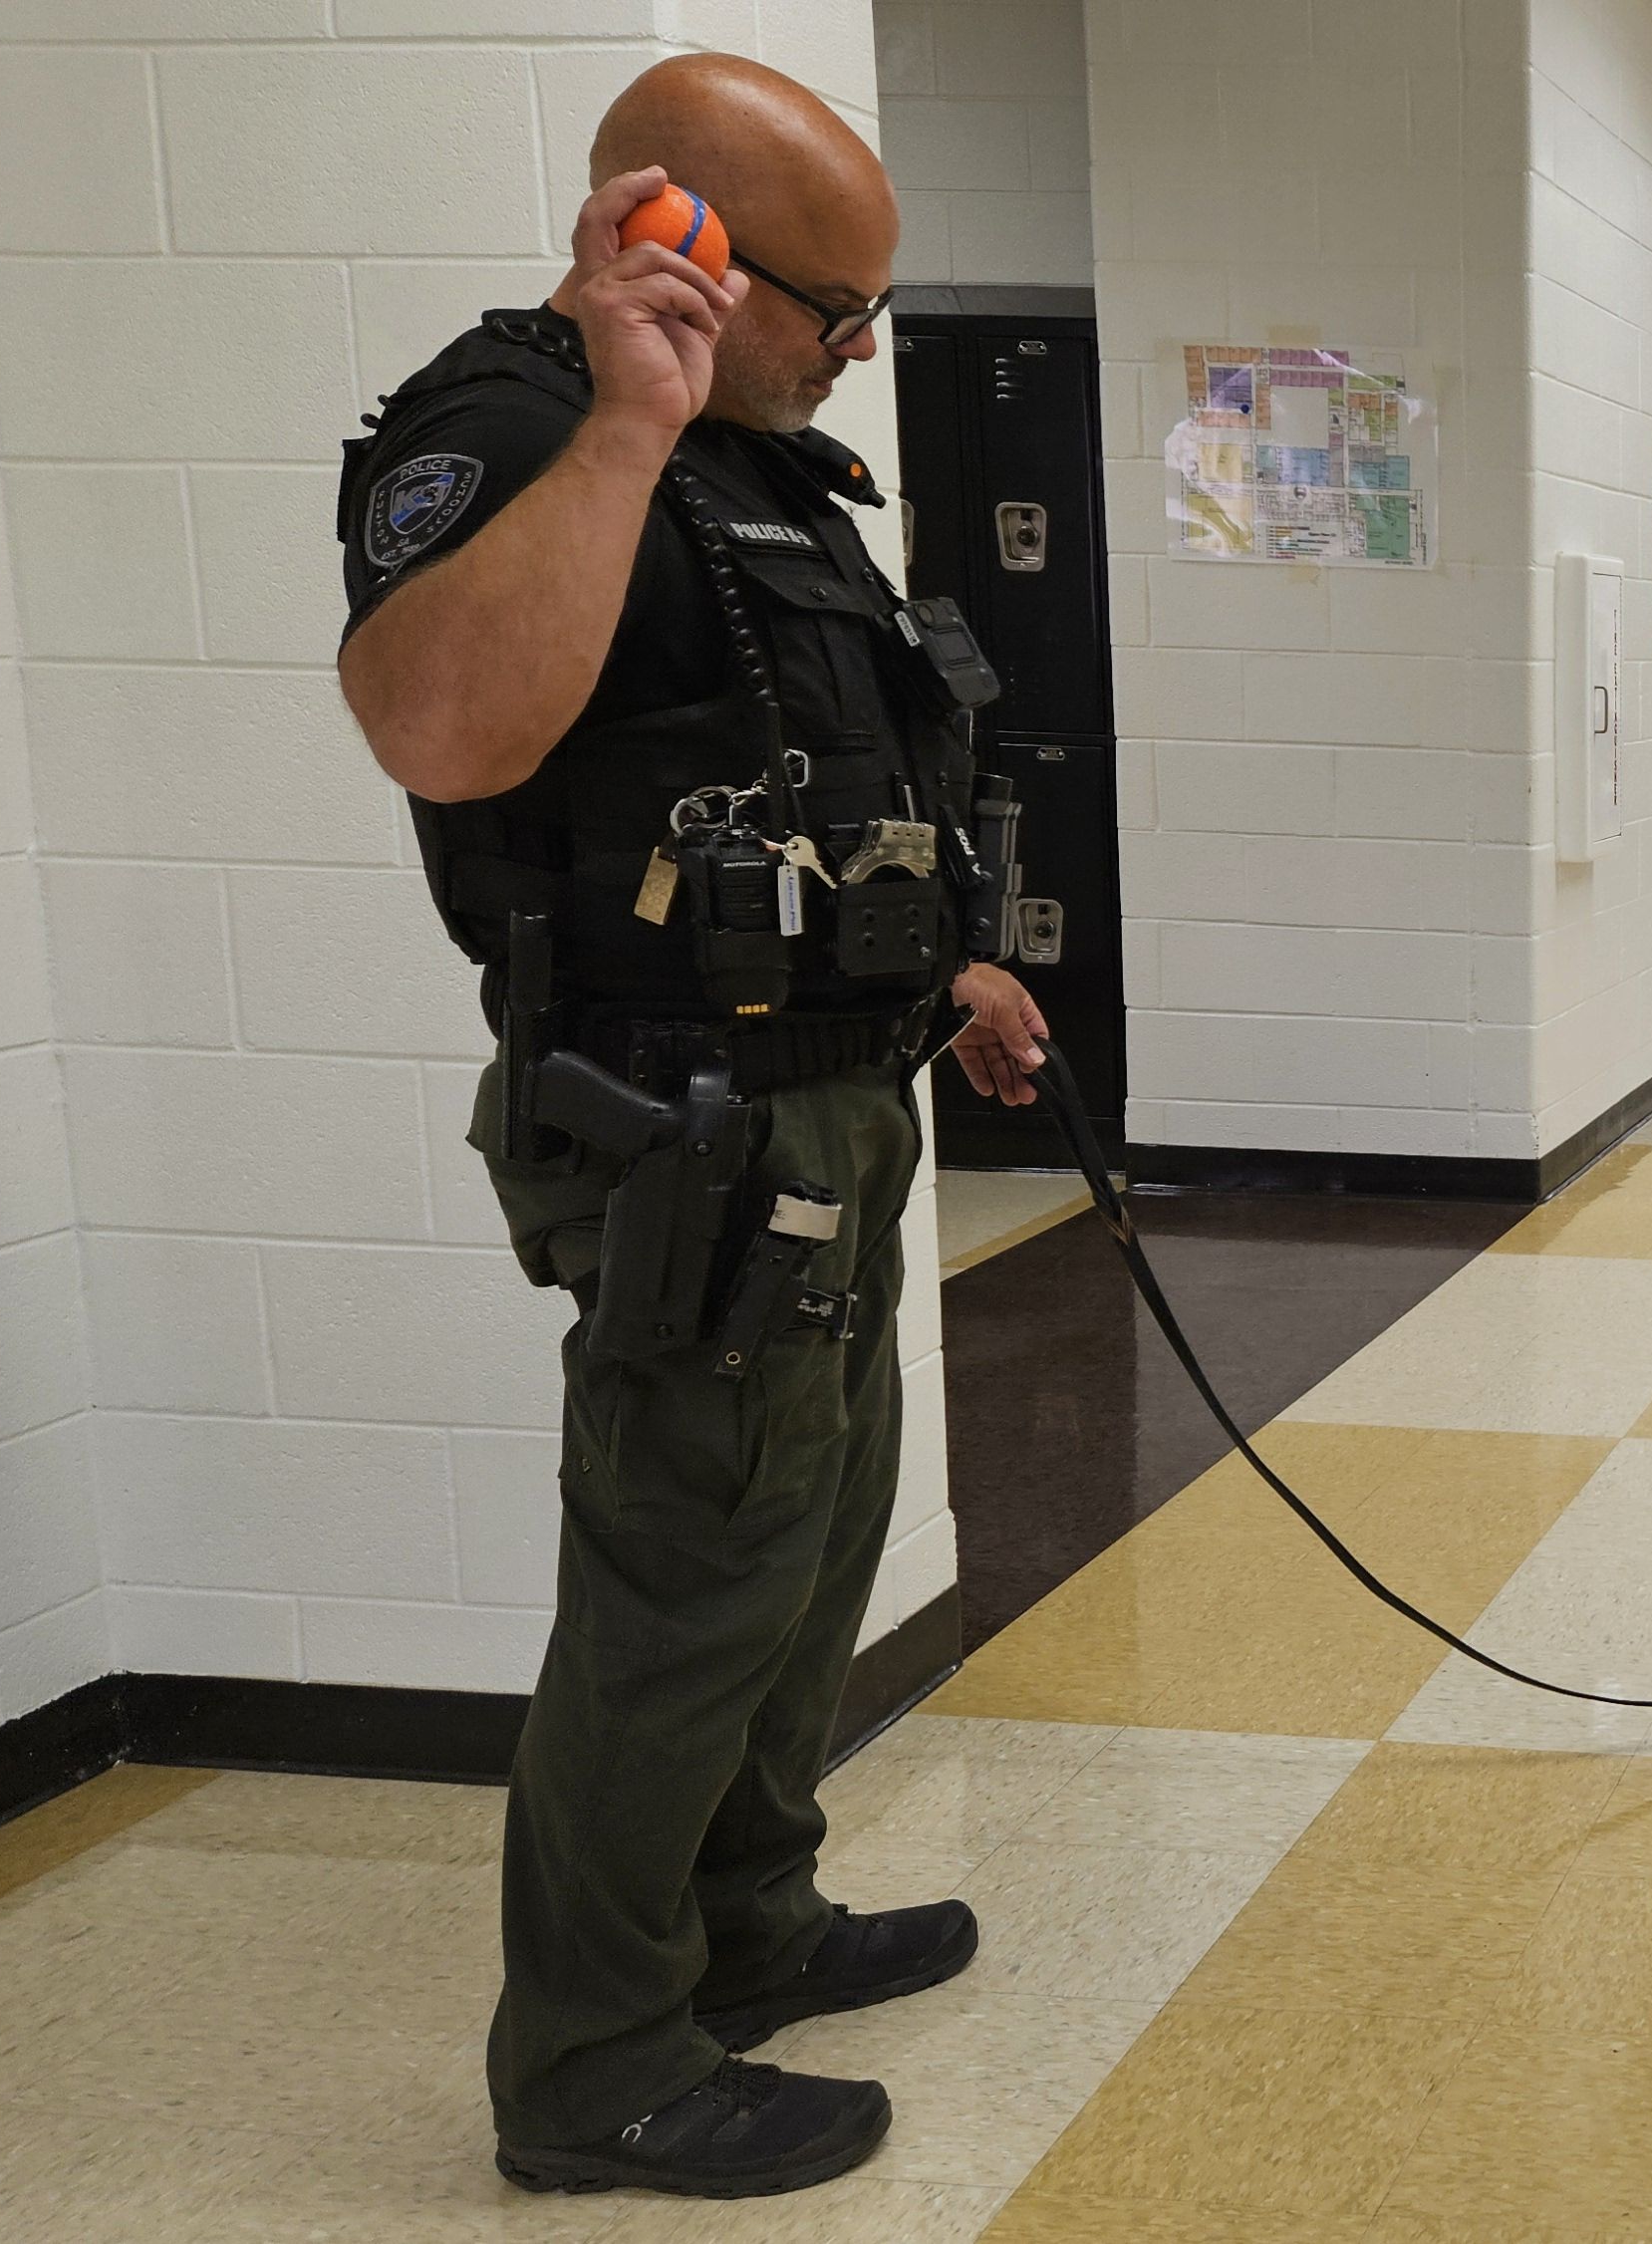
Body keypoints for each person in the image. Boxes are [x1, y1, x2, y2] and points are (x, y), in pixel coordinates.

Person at [335, 55, 1053, 2197]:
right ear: (676, 242)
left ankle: (750, 1927)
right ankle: (597, 2068)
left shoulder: (771, 478)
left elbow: (786, 795)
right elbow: (440, 726)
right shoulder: (514, 432)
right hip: (684, 1134)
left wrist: (938, 971)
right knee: (677, 1599)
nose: (853, 351)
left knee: (806, 1561)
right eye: (829, 305)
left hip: (830, 1108)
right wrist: (629, 410)